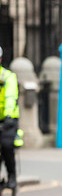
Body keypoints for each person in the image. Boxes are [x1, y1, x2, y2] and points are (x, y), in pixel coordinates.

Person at [0, 47, 20, 188]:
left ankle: (12, 175)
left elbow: (10, 97)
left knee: (7, 146)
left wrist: (7, 116)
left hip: (8, 119)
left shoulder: (8, 77)